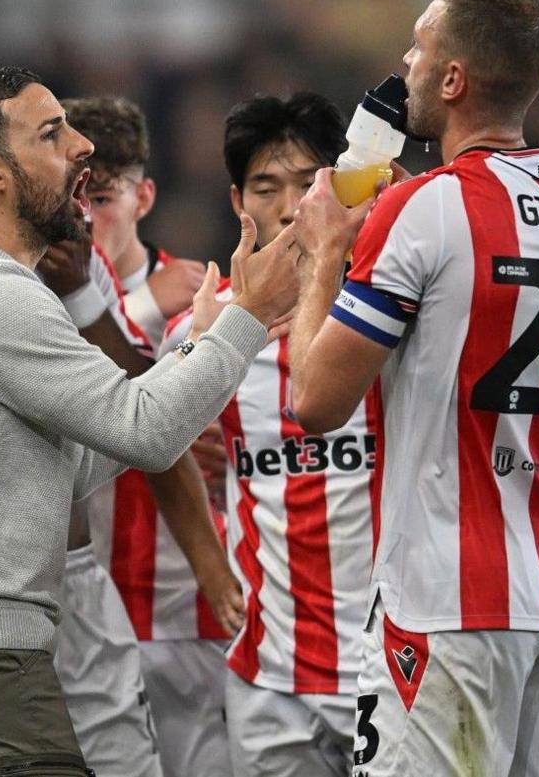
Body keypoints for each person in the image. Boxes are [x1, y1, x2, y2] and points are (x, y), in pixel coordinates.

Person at [0, 66, 298, 775]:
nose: (84, 146)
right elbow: (145, 429)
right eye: (52, 133)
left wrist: (193, 343)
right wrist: (246, 317)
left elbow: (71, 459)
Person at [287, 0, 539, 774]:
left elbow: (314, 399)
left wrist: (330, 254)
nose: (403, 61)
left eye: (418, 46)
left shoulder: (423, 209)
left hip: (448, 598)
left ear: (453, 79)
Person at [161, 91, 374, 777]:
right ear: (236, 202)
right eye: (265, 186)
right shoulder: (207, 331)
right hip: (268, 672)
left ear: (336, 189)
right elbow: (151, 443)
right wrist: (207, 560)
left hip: (391, 663)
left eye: (307, 182)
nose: (288, 207)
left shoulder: (390, 313)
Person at [64, 95, 238, 777]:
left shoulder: (202, 298)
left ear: (145, 196)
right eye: (77, 196)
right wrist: (140, 304)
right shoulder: (39, 301)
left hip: (187, 613)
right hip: (83, 616)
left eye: (104, 196)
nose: (88, 217)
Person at [63, 96, 207, 347]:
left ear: (142, 198)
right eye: (70, 199)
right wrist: (141, 307)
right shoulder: (26, 290)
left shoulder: (201, 304)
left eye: (100, 200)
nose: (83, 218)